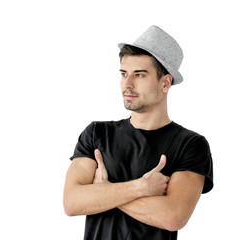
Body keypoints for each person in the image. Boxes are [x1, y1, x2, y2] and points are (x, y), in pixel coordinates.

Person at [63, 25, 213, 240]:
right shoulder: (97, 133)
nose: (128, 84)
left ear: (165, 83)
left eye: (140, 75)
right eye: (124, 74)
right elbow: (72, 202)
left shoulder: (190, 144)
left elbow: (173, 217)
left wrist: (103, 191)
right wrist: (141, 188)